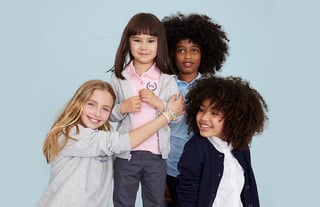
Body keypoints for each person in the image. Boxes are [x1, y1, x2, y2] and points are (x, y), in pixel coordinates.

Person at [37, 80, 183, 207]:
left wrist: (157, 180)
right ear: (78, 103)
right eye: (91, 104)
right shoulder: (71, 134)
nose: (97, 113)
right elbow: (123, 142)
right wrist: (168, 115)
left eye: (105, 109)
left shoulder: (101, 139)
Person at [108, 13, 180, 207]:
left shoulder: (167, 79)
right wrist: (123, 108)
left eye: (150, 40)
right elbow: (109, 115)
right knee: (123, 201)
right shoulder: (120, 78)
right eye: (137, 40)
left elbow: (177, 118)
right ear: (128, 42)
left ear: (159, 44)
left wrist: (159, 104)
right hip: (126, 152)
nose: (143, 46)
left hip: (156, 154)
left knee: (155, 202)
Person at [161, 12, 229, 206]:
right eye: (181, 50)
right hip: (170, 169)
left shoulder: (213, 89)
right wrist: (160, 177)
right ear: (171, 53)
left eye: (194, 50)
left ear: (204, 53)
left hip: (203, 169)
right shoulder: (164, 87)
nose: (188, 56)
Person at [176, 75, 268, 207]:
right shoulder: (196, 148)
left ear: (233, 117)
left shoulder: (241, 148)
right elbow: (187, 194)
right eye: (202, 110)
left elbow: (248, 189)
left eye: (214, 113)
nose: (204, 118)